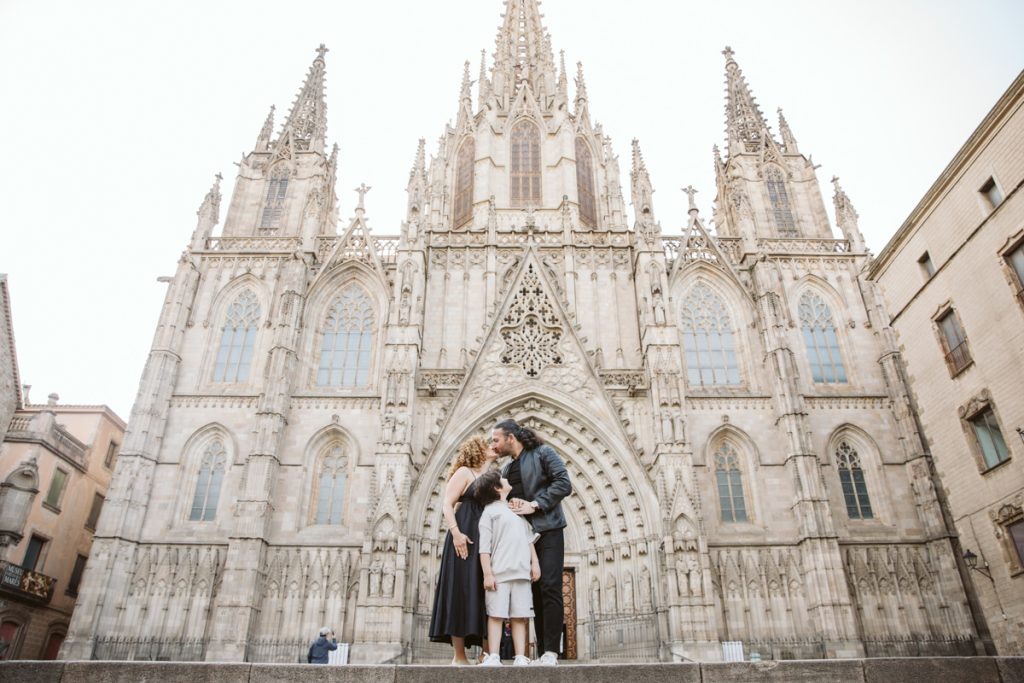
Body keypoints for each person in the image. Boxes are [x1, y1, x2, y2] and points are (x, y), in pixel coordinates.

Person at [491, 419, 572, 667]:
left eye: (496, 440)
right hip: (523, 538)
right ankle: (542, 652)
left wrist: (534, 505)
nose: (493, 445)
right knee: (534, 591)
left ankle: (551, 652)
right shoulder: (506, 470)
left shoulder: (543, 453)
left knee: (550, 585)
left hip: (549, 529)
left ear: (510, 438)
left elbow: (564, 483)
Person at [429, 435, 498, 664]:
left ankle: (486, 653)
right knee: (460, 589)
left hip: (484, 536)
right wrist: (456, 534)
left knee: (484, 591)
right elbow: (447, 504)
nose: (493, 446)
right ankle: (459, 656)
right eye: (488, 444)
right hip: (464, 535)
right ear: (478, 449)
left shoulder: (488, 477)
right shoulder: (464, 472)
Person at [474, 469, 541, 667]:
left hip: (521, 573)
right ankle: (493, 655)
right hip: (500, 574)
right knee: (496, 615)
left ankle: (520, 656)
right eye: (501, 479)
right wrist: (487, 574)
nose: (506, 478)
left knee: (520, 616)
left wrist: (534, 563)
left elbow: (529, 540)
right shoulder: (489, 513)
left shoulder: (515, 512)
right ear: (497, 488)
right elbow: (484, 548)